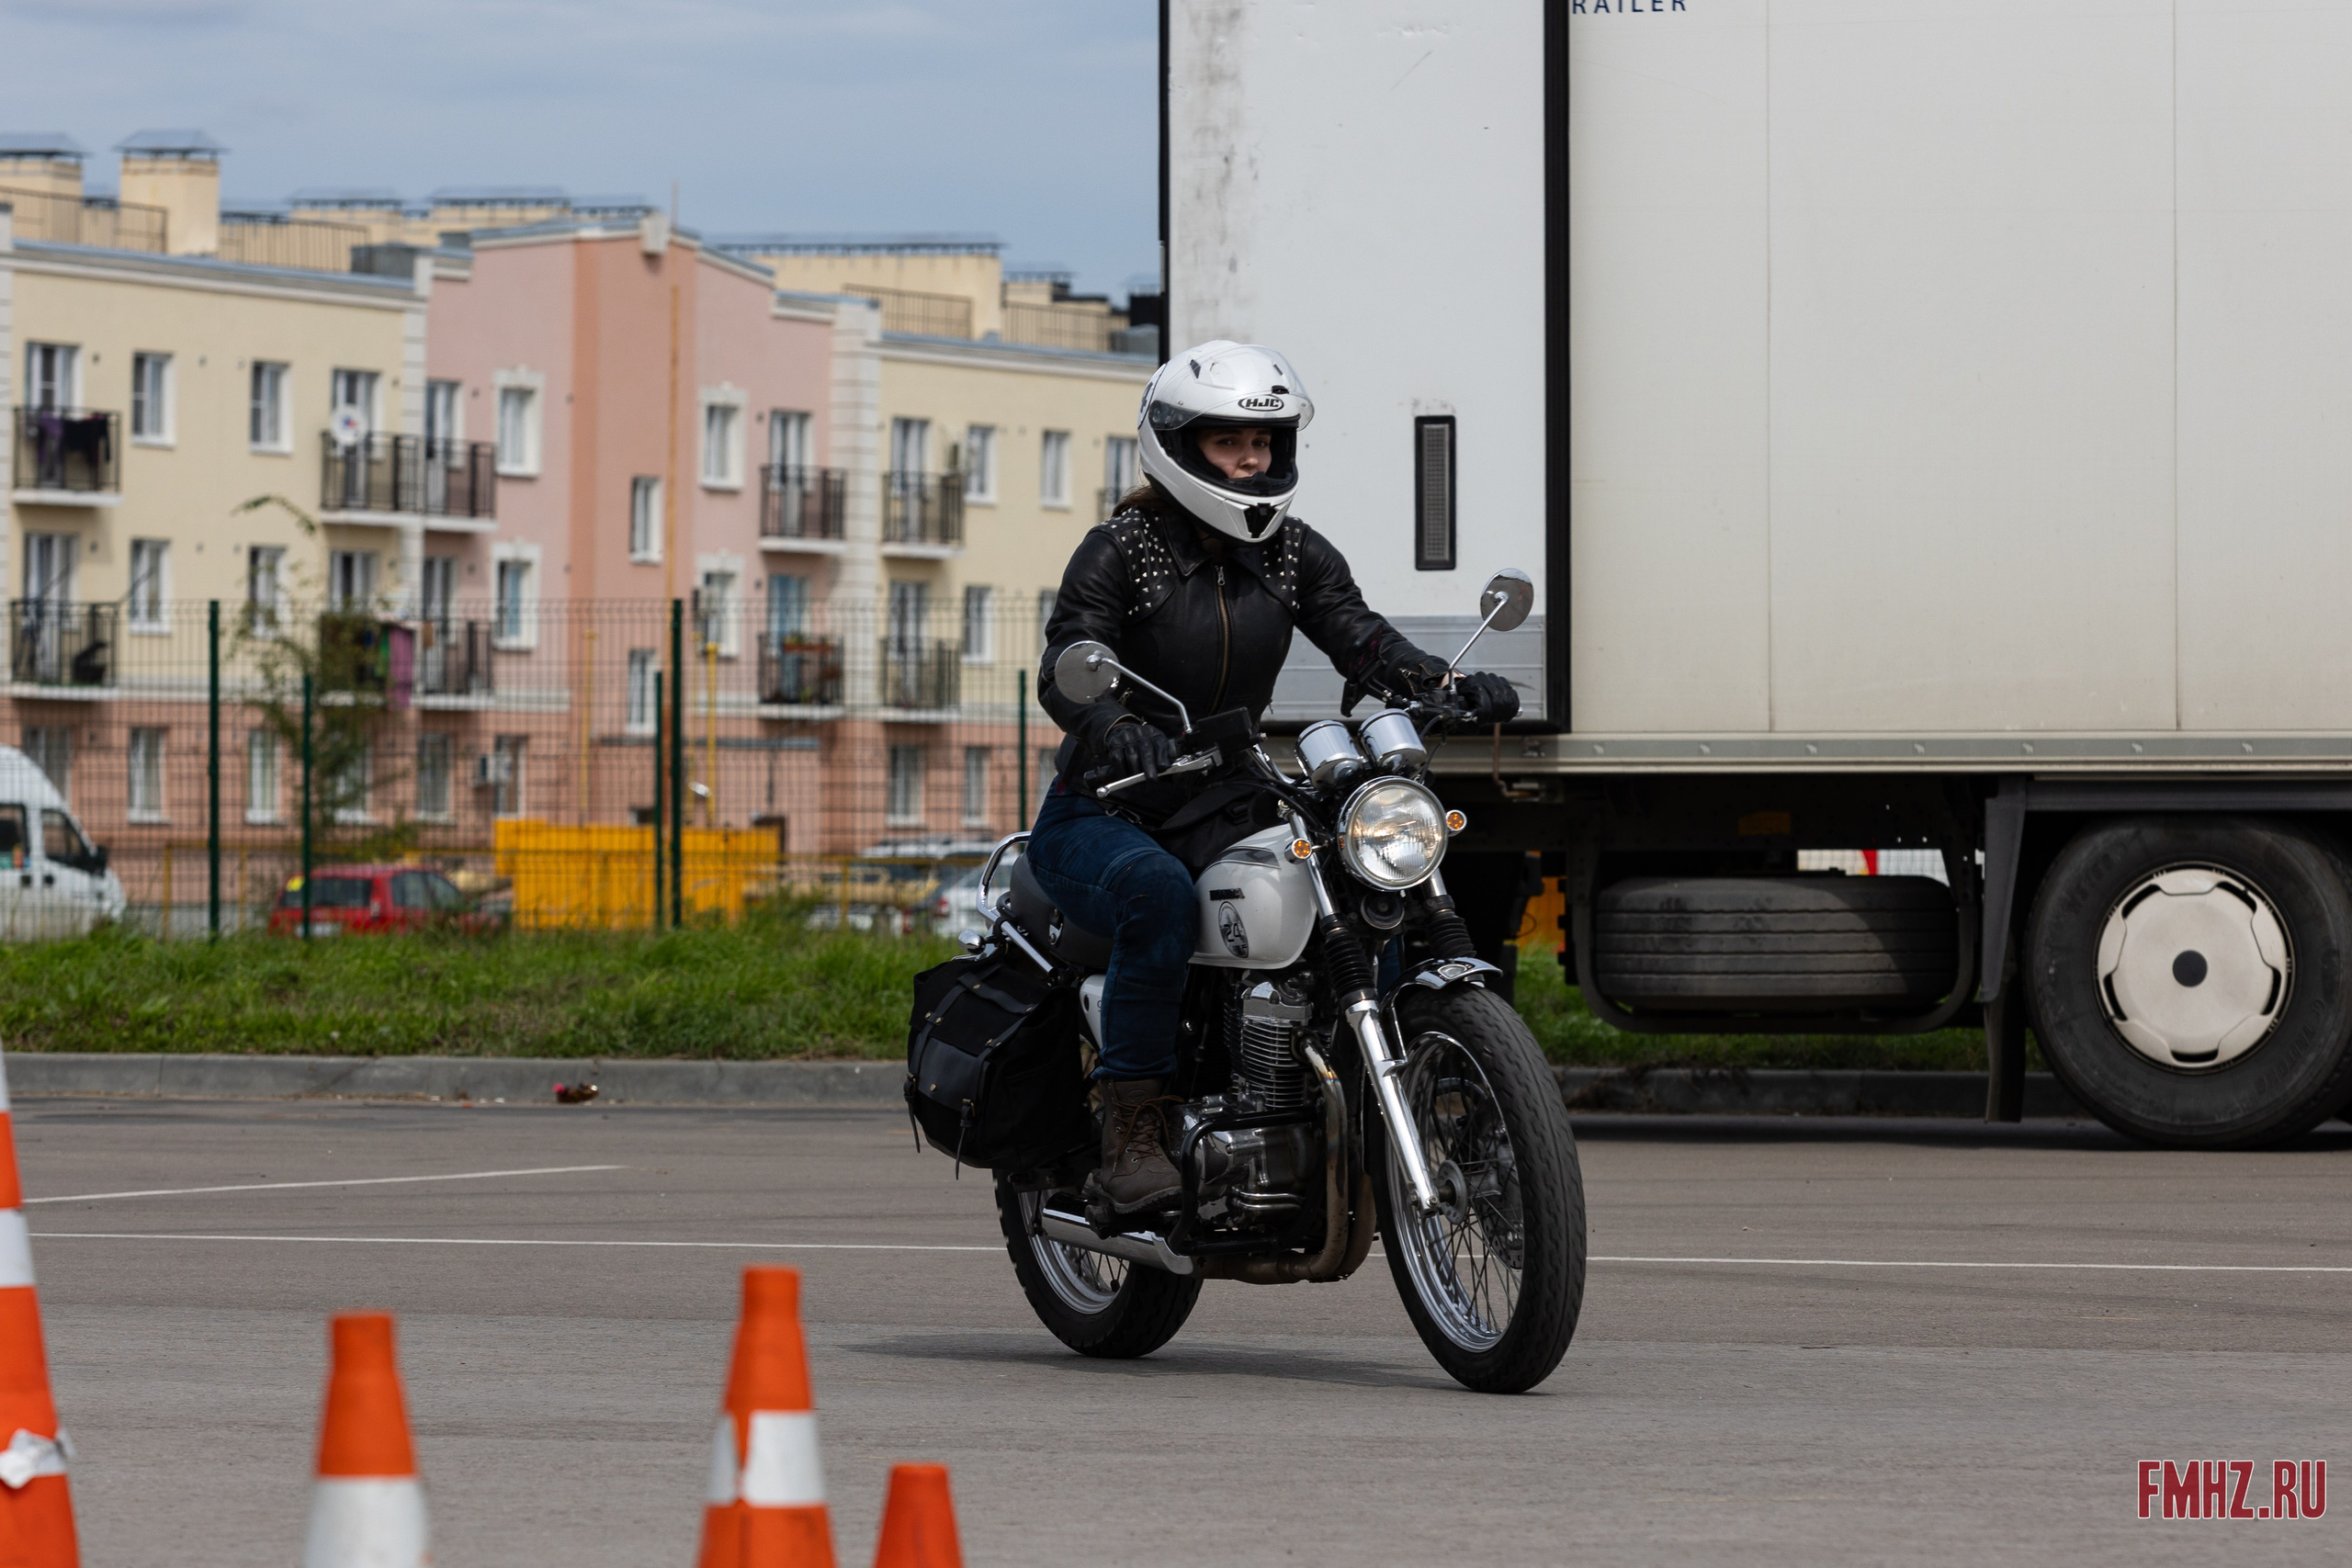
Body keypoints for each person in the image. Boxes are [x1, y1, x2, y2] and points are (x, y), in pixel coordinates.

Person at [1031, 341, 1521, 1214]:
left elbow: (1361, 635)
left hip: (1229, 794)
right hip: (1107, 810)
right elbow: (1067, 657)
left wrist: (1440, 683)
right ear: (1179, 447)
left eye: (1265, 442)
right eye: (1229, 444)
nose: (1252, 460)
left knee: (1361, 878)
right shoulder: (1121, 550)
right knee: (1157, 898)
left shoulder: (1293, 553)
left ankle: (1388, 1086)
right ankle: (1131, 1131)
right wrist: (1115, 726)